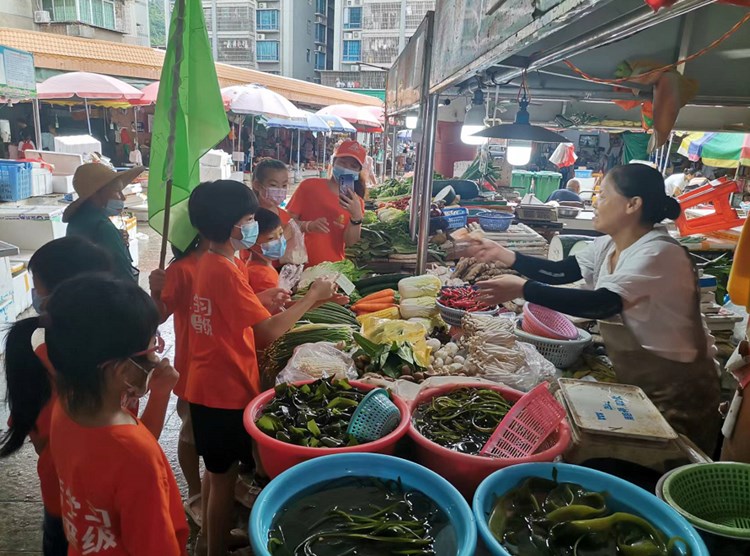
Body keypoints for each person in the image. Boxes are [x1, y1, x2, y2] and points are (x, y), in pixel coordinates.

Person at [468, 164, 721, 455]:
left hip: (679, 389)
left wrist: (524, 289)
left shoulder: (658, 253)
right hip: (639, 382)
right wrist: (506, 255)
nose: (595, 202)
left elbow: (602, 303)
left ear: (632, 204)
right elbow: (562, 272)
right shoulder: (608, 246)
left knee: (667, 467)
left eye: (603, 195)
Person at [185, 180, 338, 555]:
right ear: (231, 225)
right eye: (250, 219)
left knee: (215, 474)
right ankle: (215, 547)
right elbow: (266, 334)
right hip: (224, 390)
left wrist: (262, 299)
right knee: (222, 480)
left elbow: (233, 313)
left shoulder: (214, 261)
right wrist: (312, 300)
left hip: (207, 383)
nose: (254, 227)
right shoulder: (224, 269)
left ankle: (211, 537)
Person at [6, 274, 187, 555]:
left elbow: (119, 453)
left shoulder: (67, 407)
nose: (156, 355)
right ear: (119, 369)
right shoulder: (136, 456)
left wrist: (160, 395)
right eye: (153, 345)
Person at [0, 237, 112, 556]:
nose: (35, 293)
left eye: (37, 284)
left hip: (62, 491)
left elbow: (31, 429)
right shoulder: (115, 348)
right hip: (103, 493)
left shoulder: (28, 342)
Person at [286, 140, 366, 266]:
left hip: (332, 269)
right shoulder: (309, 186)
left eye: (353, 166)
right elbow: (286, 222)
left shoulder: (357, 202)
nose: (346, 169)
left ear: (358, 172)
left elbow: (351, 243)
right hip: (298, 265)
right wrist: (308, 226)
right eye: (343, 163)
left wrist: (356, 217)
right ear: (333, 163)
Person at [64, 163, 143, 282]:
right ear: (96, 194)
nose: (123, 198)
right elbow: (123, 275)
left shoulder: (77, 220)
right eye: (117, 191)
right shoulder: (103, 226)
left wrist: (117, 237)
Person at [245, 208, 284, 295]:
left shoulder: (261, 265)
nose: (279, 240)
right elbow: (276, 307)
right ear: (251, 243)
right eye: (270, 238)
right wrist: (313, 297)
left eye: (281, 233)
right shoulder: (263, 276)